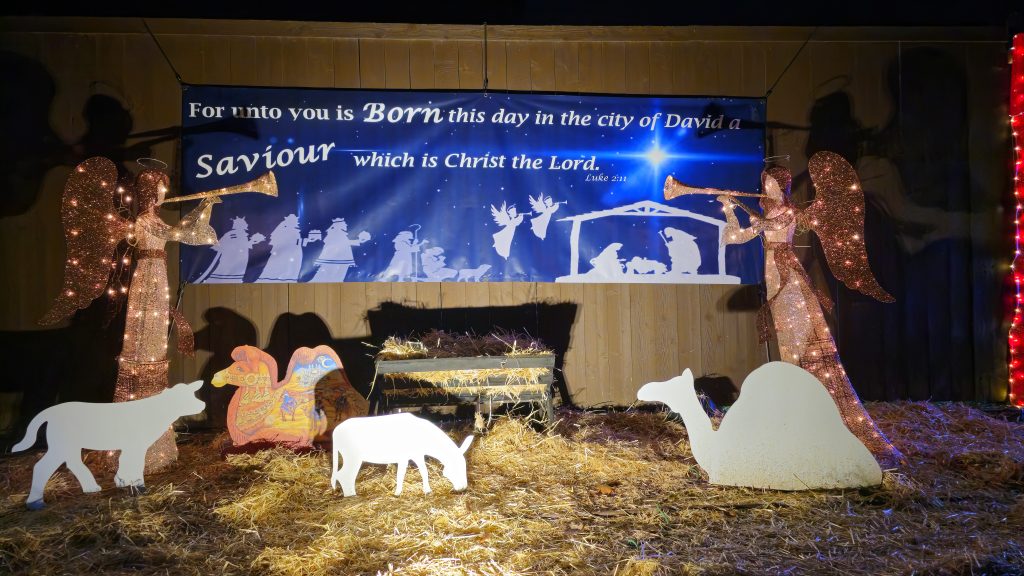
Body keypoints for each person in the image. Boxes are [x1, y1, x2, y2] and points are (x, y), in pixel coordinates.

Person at [700, 153, 902, 467]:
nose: (767, 189)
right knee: (787, 348)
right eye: (765, 184)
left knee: (797, 348)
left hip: (790, 284)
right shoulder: (767, 213)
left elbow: (770, 225)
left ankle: (808, 412)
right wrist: (729, 208)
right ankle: (796, 414)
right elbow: (736, 237)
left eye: (772, 184)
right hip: (775, 283)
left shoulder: (787, 212)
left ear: (782, 186)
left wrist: (750, 213)